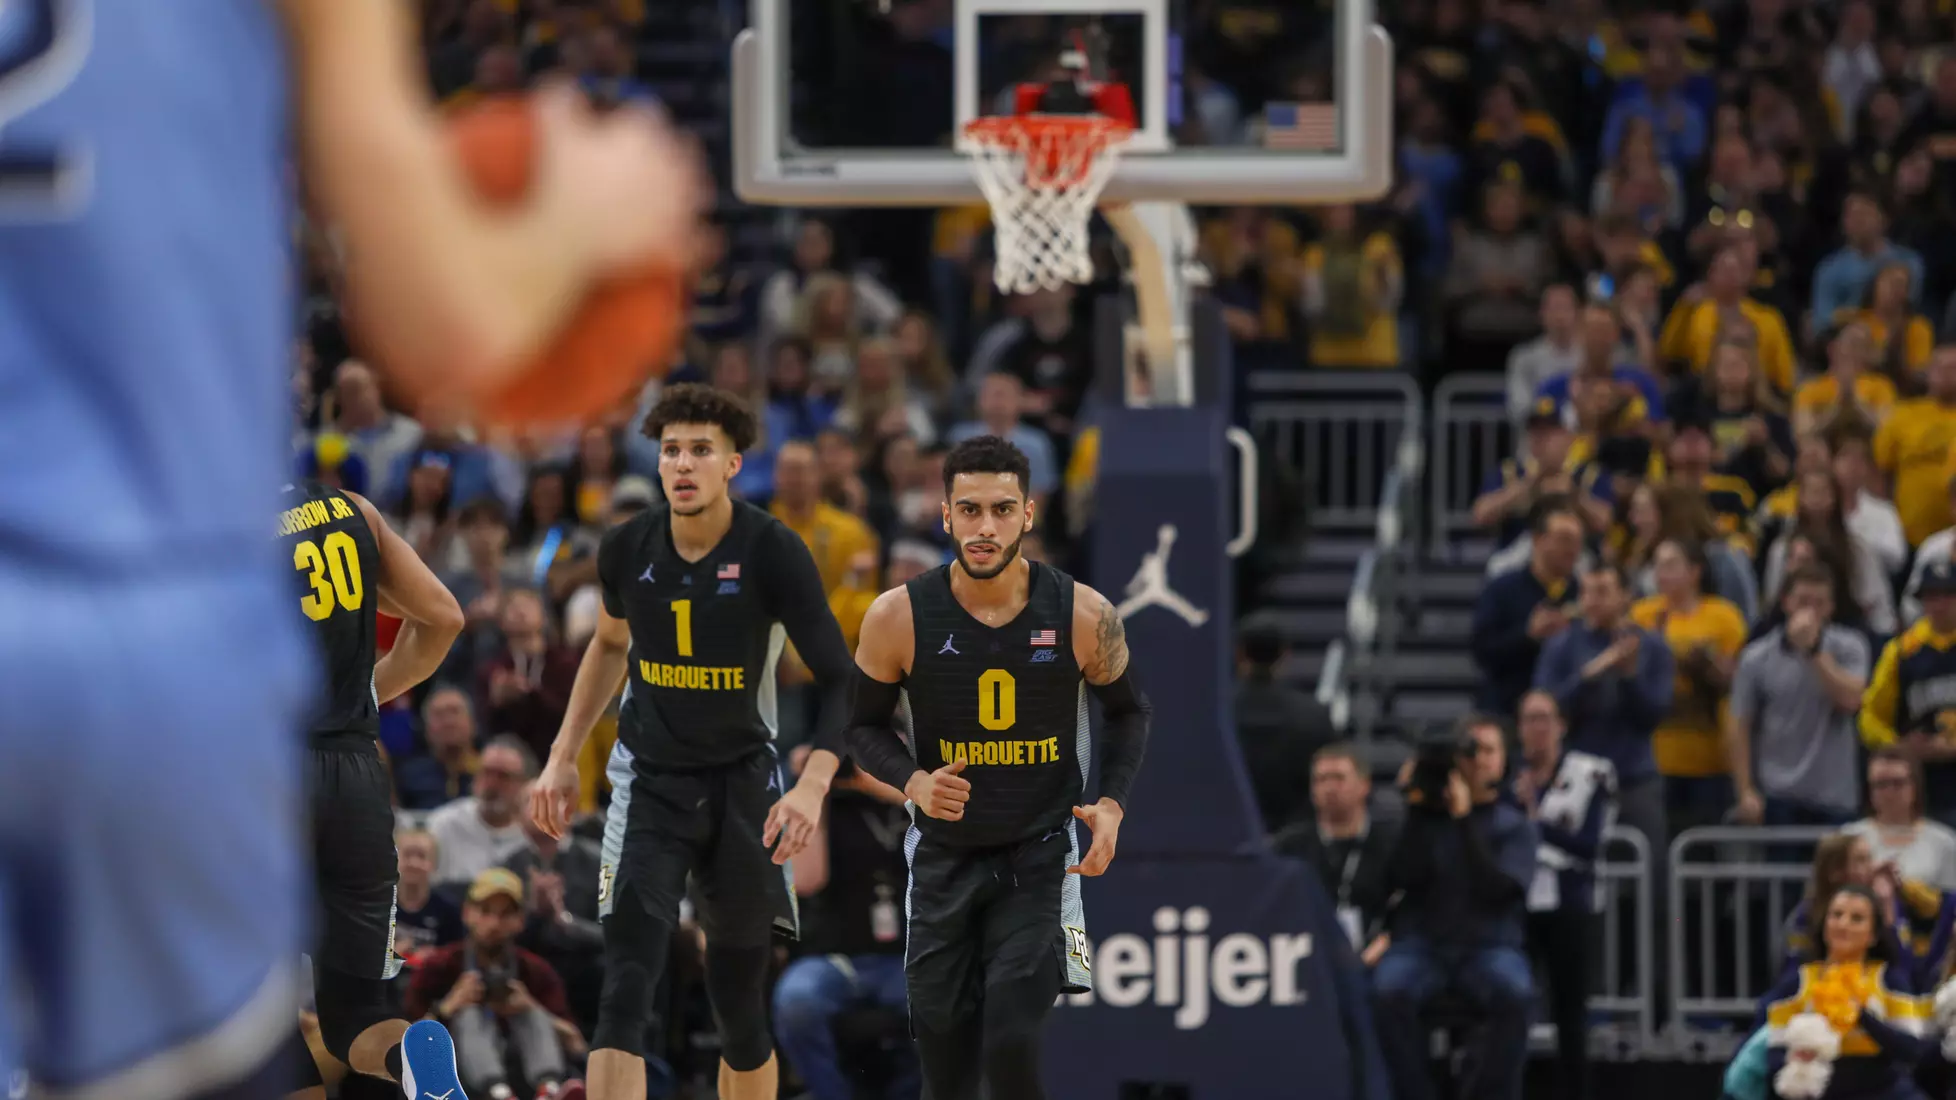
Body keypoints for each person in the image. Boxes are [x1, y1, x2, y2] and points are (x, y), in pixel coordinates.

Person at [0, 2, 703, 1095]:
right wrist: (599, 206)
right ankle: (400, 1059)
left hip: (212, 708)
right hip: (181, 668)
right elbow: (445, 317)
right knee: (323, 1012)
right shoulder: (343, 511)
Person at [528, 384, 858, 1100]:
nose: (682, 464)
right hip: (649, 784)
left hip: (742, 788)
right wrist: (560, 757)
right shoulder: (626, 546)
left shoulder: (772, 551)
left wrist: (811, 785)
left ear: (733, 464)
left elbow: (843, 681)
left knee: (739, 1009)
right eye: (671, 450)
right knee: (625, 987)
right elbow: (610, 644)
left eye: (700, 451)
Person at [844, 435, 1152, 1100]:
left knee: (1013, 1042)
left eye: (1003, 510)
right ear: (945, 515)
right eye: (971, 510)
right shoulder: (897, 614)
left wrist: (1113, 803)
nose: (987, 527)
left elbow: (1130, 712)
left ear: (1029, 514)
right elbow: (862, 727)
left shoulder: (1082, 612)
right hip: (942, 860)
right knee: (947, 1079)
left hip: (1039, 858)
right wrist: (915, 781)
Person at [277, 480, 466, 1099]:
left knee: (260, 1026)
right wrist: (371, 694)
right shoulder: (349, 508)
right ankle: (413, 1057)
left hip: (266, 777)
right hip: (357, 776)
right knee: (355, 1017)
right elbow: (443, 617)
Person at [1372, 715, 1539, 1100]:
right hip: (1422, 944)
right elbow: (1399, 879)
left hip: (1489, 944)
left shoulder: (1514, 827)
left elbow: (1497, 891)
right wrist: (1416, 806)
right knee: (1385, 993)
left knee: (1516, 994)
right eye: (1468, 751)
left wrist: (1463, 819)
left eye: (1486, 751)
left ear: (1500, 762)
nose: (1476, 760)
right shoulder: (1422, 821)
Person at [1513, 691, 1617, 1100]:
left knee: (1570, 1014)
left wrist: (1533, 820)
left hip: (1570, 906)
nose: (1536, 728)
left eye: (1544, 718)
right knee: (1512, 1009)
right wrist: (1547, 835)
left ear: (1561, 724)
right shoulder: (1505, 773)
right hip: (1517, 904)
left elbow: (1589, 845)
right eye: (1528, 719)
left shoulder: (1590, 772)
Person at [405, 869, 586, 1100]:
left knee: (533, 1015)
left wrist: (530, 1006)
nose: (494, 923)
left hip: (525, 1065)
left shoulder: (536, 970)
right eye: (485, 911)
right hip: (459, 1074)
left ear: (520, 920)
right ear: (467, 913)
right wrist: (449, 1006)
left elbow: (576, 1042)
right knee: (469, 1015)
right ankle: (499, 1093)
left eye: (505, 914)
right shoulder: (439, 966)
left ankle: (548, 1090)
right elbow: (407, 1041)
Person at [1728, 567, 1872, 830]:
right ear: (1786, 603)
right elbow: (1740, 725)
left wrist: (1815, 651)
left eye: (1820, 603)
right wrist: (1745, 789)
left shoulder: (1851, 646)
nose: (1811, 611)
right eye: (1803, 602)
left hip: (1835, 796)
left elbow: (1852, 701)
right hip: (1777, 793)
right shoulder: (1756, 657)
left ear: (1831, 608)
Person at [1757, 886, 1932, 1100]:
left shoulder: (1888, 979)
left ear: (1873, 935)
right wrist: (1796, 1058)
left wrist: (1860, 1016)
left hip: (1882, 1092)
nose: (1843, 924)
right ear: (1824, 925)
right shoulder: (1796, 983)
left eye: (1856, 918)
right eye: (1836, 915)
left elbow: (1911, 1051)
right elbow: (1773, 1057)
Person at [1271, 744, 1399, 965]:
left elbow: (1404, 911)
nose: (1330, 787)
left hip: (1376, 953)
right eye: (1321, 780)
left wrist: (1376, 951)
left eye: (1339, 778)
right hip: (1303, 953)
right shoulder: (1288, 846)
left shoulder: (1391, 843)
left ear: (1364, 786)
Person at [1862, 560, 1956, 825]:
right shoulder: (1903, 651)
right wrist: (1898, 747)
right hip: (1920, 787)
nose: (1940, 605)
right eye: (1932, 596)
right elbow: (1869, 716)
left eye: (1949, 595)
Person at [1844, 751, 1956, 893]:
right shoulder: (1849, 836)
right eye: (1881, 784)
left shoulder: (1944, 842)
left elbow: (1951, 904)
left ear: (1914, 786)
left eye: (1898, 783)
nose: (1889, 792)